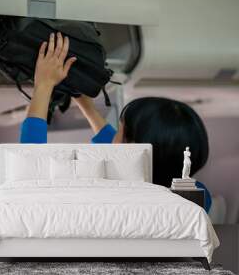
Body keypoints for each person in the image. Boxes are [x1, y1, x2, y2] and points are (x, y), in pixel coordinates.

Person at [20, 32, 211, 213]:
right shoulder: (196, 200)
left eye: (121, 130)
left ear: (136, 151)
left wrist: (43, 86)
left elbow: (32, 167)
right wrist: (87, 106)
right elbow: (124, 154)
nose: (114, 139)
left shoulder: (108, 198)